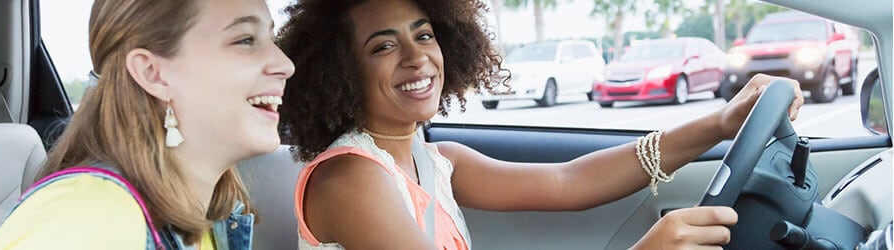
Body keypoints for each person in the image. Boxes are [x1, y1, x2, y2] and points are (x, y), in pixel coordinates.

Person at [275, 0, 804, 249]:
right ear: (341, 70)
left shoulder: (434, 159)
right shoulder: (351, 178)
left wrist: (722, 121)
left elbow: (567, 182)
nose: (418, 58)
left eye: (425, 35)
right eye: (384, 46)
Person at [0, 0, 294, 249]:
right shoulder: (86, 217)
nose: (285, 64)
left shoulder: (215, 215)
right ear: (152, 74)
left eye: (271, 38)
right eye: (245, 40)